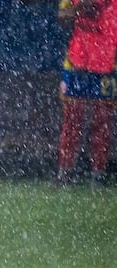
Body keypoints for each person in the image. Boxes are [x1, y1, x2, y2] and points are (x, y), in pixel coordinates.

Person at [56, 0, 117, 186]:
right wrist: (78, 9)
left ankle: (97, 175)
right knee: (72, 119)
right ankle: (64, 173)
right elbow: (61, 18)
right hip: (77, 61)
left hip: (109, 63)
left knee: (103, 120)